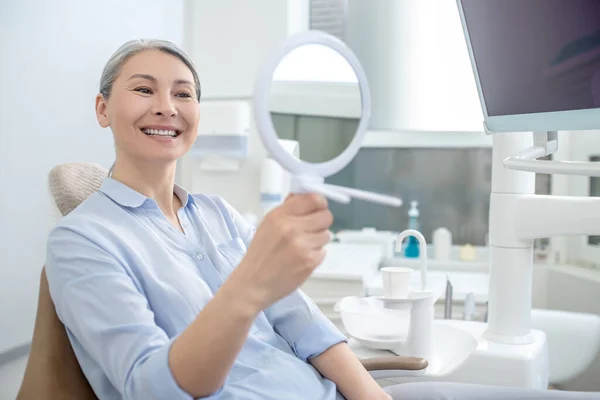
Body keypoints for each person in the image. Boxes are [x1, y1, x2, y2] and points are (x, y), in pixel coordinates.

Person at [45, 39, 599, 400]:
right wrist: (248, 285)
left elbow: (302, 322)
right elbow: (154, 389)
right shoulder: (82, 241)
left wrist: (370, 394)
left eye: (183, 93)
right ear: (102, 109)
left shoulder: (215, 214)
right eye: (143, 89)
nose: (166, 106)